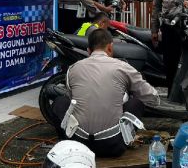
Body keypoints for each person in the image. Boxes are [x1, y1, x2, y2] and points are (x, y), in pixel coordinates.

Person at [52, 29, 159, 158]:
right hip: (113, 146)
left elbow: (72, 101)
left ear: (88, 51)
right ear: (110, 47)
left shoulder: (73, 69)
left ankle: (65, 143)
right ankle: (126, 137)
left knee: (60, 102)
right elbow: (153, 98)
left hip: (78, 144)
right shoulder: (124, 67)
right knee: (137, 103)